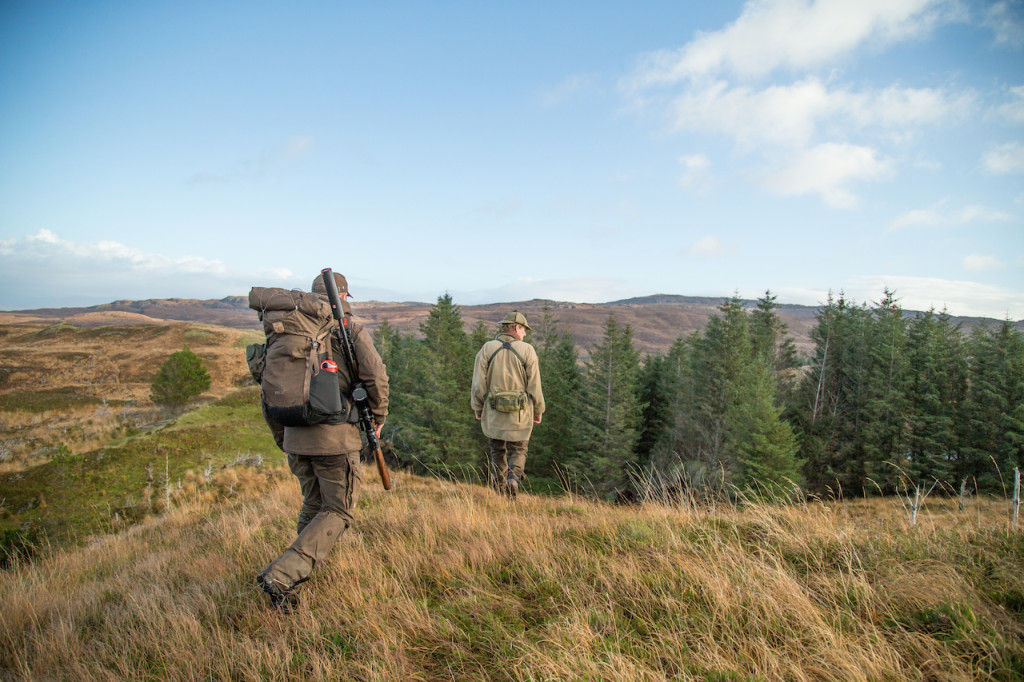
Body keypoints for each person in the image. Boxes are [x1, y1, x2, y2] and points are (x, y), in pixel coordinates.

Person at [257, 272, 389, 612]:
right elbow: (375, 375)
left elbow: (267, 389)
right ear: (343, 295)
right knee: (338, 509)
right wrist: (378, 418)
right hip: (334, 438)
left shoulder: (283, 332)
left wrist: (283, 439)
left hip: (294, 435)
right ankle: (284, 575)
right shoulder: (348, 330)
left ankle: (296, 576)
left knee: (314, 507)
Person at [471, 310, 544, 498]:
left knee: (497, 450)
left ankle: (499, 489)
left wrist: (478, 407)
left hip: (494, 412)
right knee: (519, 449)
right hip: (520, 413)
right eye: (524, 329)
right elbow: (534, 385)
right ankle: (513, 479)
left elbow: (478, 384)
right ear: (516, 327)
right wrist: (538, 409)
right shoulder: (527, 350)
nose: (525, 334)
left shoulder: (487, 348)